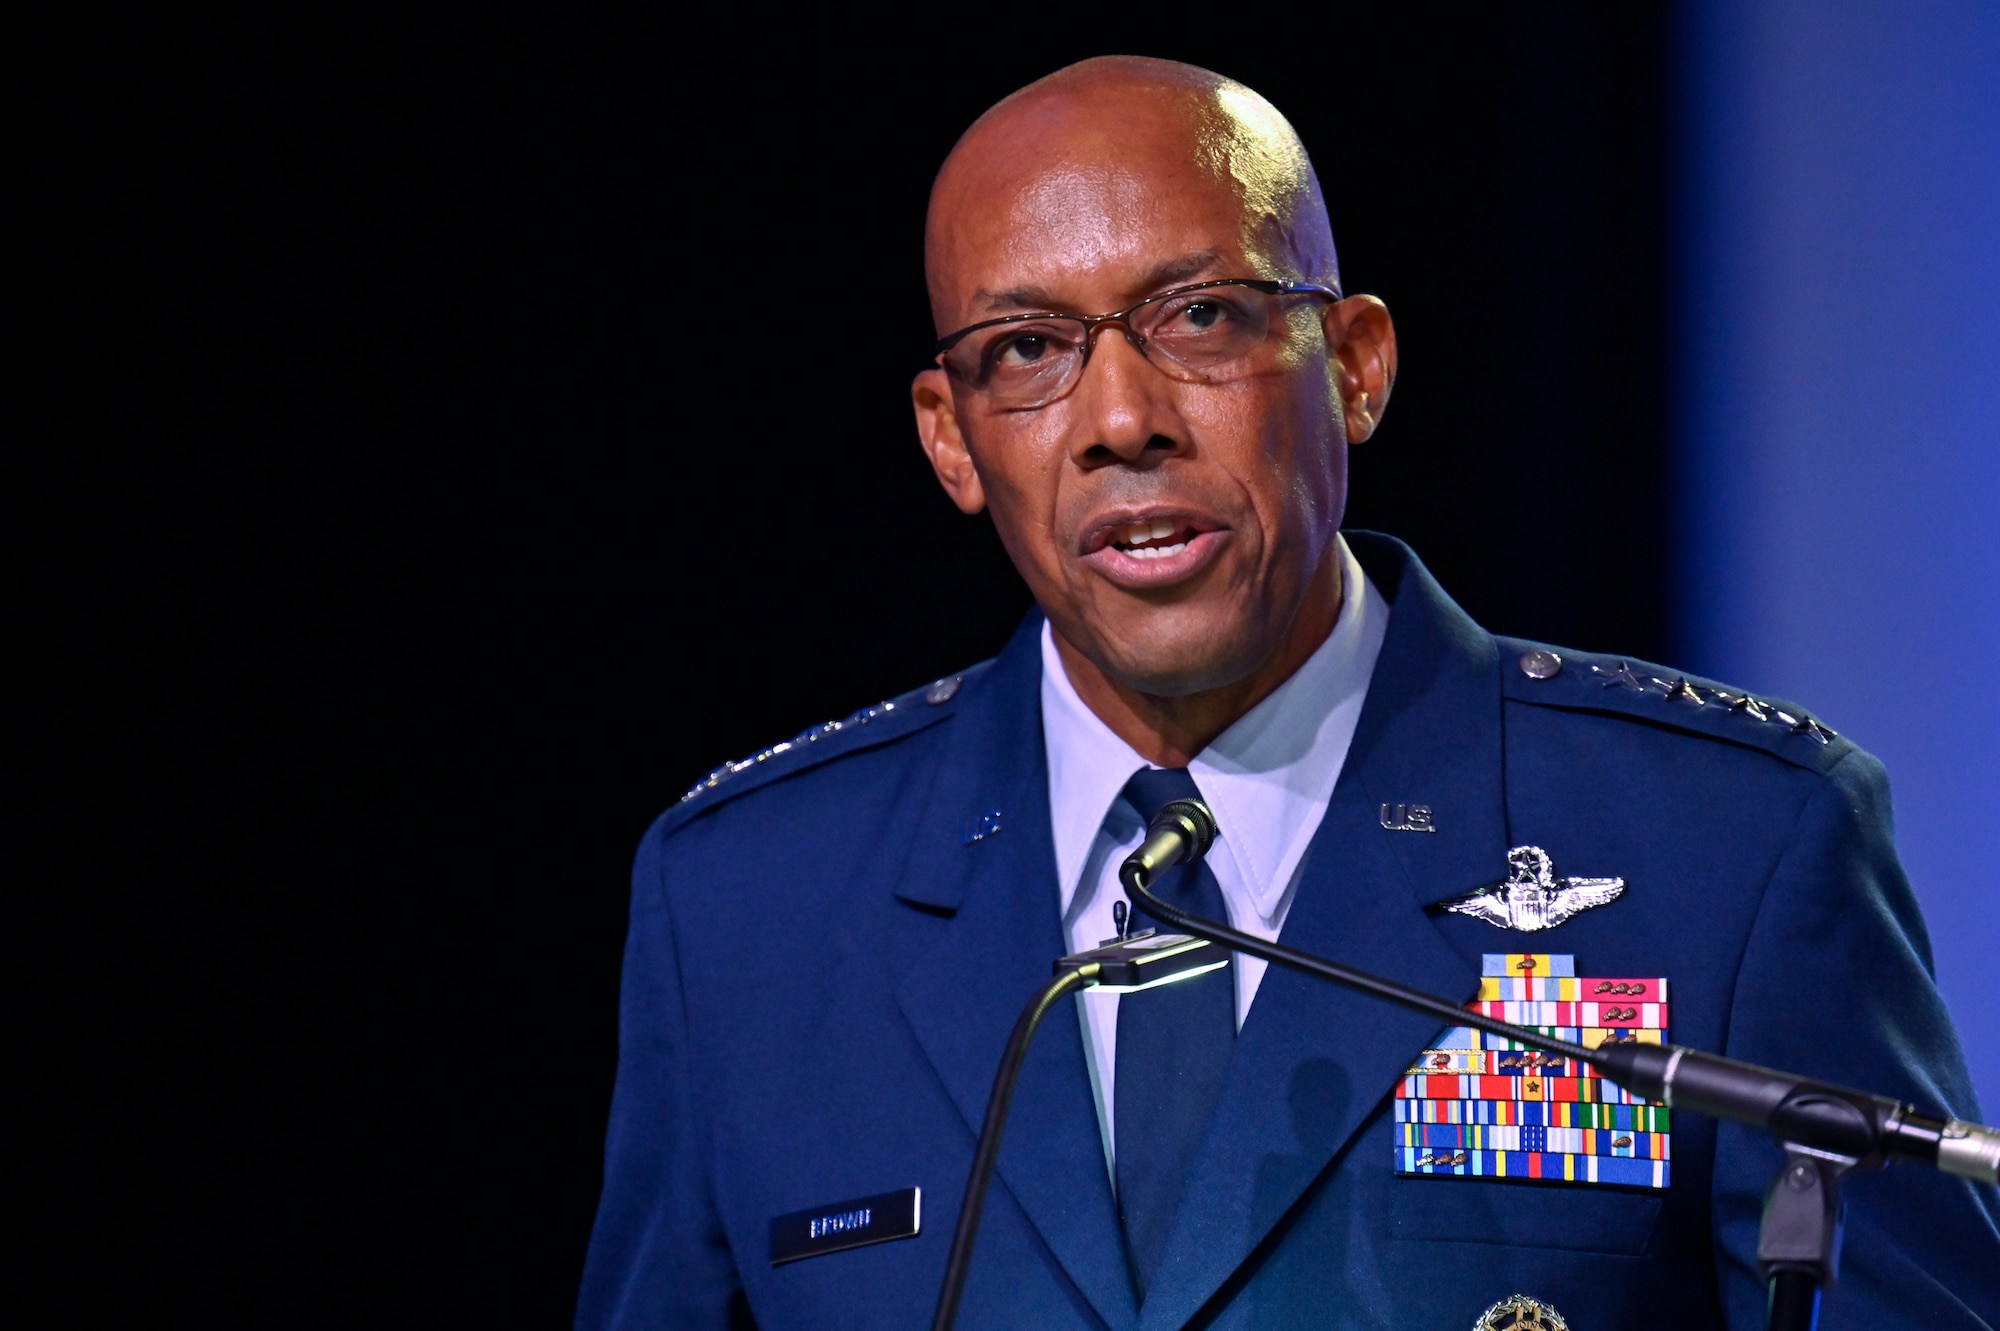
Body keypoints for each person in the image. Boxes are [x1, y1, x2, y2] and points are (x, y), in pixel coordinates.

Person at [577, 57, 1996, 1330]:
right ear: (951, 442)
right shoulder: (751, 907)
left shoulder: (1729, 848)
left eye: (1200, 316)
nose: (1121, 419)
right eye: (1027, 351)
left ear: (1358, 365)